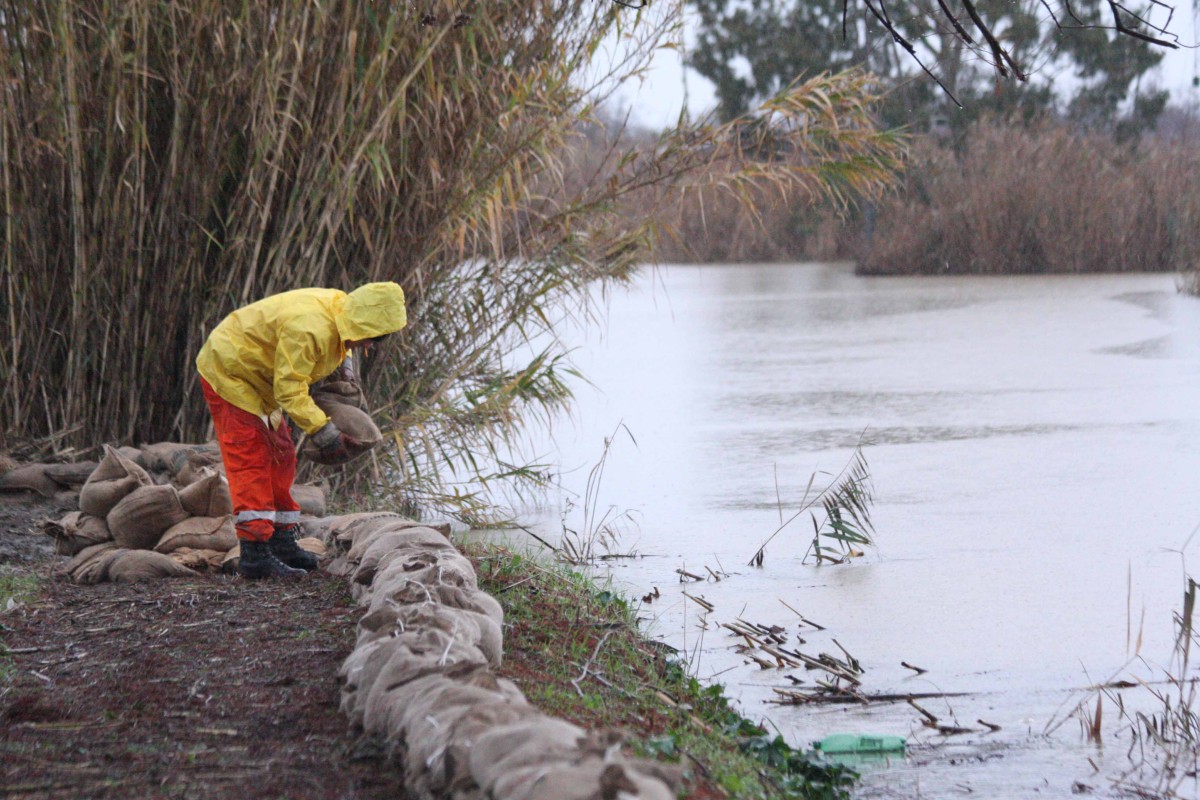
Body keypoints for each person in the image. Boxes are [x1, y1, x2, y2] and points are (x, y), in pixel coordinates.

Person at [196, 282, 407, 579]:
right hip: (232, 369)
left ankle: (281, 541)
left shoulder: (342, 310)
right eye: (374, 339)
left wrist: (345, 371)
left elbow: (336, 344)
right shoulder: (309, 329)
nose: (371, 346)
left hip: (262, 377)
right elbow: (289, 390)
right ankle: (254, 554)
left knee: (282, 454)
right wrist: (325, 432)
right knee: (252, 456)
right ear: (364, 327)